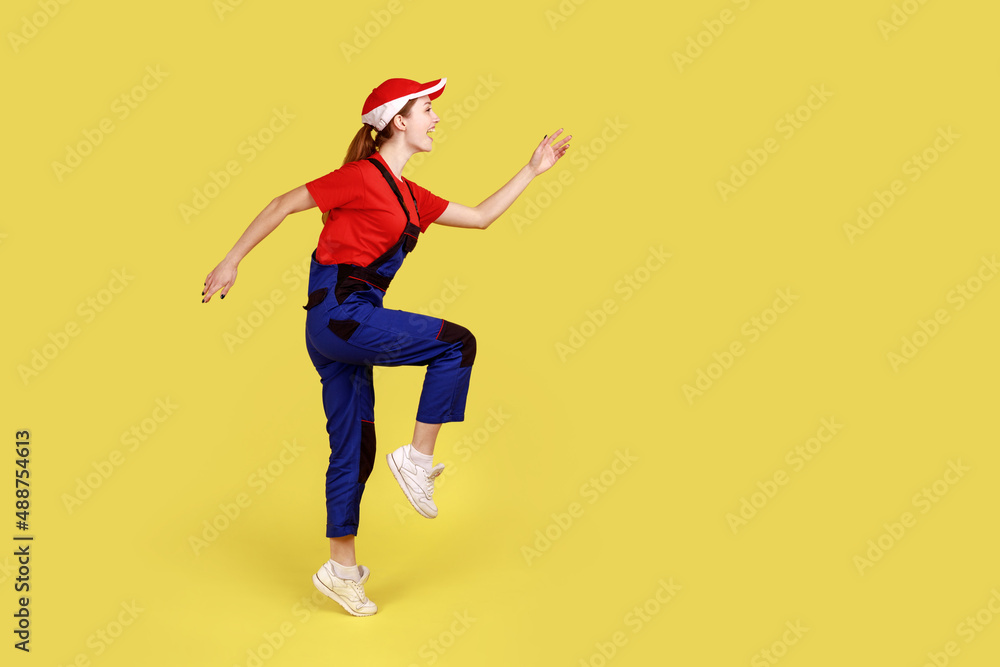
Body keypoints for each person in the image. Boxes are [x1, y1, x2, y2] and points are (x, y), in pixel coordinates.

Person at [202, 77, 570, 616]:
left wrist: (532, 171)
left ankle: (341, 570)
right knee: (456, 344)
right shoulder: (358, 178)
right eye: (427, 108)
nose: (436, 117)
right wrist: (231, 260)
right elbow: (282, 204)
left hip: (345, 326)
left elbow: (482, 216)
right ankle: (418, 460)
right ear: (399, 120)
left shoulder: (412, 195)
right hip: (338, 316)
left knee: (354, 448)